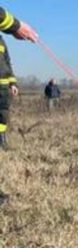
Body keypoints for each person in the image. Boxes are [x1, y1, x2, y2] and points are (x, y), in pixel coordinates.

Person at [0, 7, 38, 148]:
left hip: (3, 85)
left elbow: (7, 62)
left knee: (3, 113)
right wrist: (17, 26)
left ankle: (1, 140)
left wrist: (12, 83)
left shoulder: (1, 41)